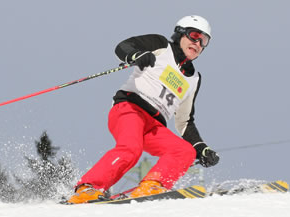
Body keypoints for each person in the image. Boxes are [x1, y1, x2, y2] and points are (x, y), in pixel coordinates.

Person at [67, 15, 221, 204]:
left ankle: (151, 186)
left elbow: (184, 121)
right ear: (180, 33)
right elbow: (124, 46)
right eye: (195, 36)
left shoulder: (194, 79)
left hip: (154, 127)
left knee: (185, 152)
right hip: (130, 109)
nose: (198, 43)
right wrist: (135, 55)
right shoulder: (161, 46)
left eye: (204, 41)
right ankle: (87, 188)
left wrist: (200, 147)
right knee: (131, 149)